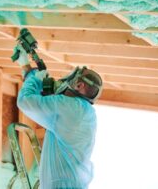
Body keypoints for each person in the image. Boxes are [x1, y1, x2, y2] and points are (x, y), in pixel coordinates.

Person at [14, 45, 103, 189]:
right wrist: (28, 70)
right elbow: (53, 105)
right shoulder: (86, 111)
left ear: (79, 85)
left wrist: (34, 78)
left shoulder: (67, 106)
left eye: (72, 78)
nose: (65, 80)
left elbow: (25, 102)